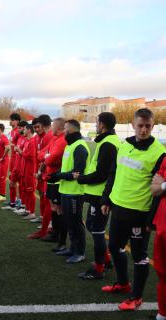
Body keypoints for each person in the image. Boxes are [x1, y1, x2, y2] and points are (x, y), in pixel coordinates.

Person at [101, 108, 166, 311]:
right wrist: (106, 199)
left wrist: (150, 220)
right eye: (140, 125)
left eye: (148, 126)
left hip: (139, 212)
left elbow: (158, 191)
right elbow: (113, 172)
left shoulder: (159, 153)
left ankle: (136, 297)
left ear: (153, 126)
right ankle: (122, 283)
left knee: (139, 255)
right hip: (118, 207)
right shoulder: (124, 145)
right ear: (133, 125)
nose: (144, 130)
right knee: (114, 247)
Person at [73, 112, 120, 280]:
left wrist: (81, 178)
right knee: (92, 226)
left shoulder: (108, 144)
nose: (95, 125)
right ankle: (106, 260)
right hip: (96, 194)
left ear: (102, 125)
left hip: (101, 195)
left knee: (98, 230)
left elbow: (101, 174)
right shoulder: (107, 141)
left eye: (96, 122)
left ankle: (99, 268)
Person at [49, 119, 90, 264]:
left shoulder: (80, 147)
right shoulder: (70, 145)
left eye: (65, 128)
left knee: (76, 223)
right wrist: (57, 175)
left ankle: (80, 252)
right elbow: (67, 169)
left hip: (75, 193)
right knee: (69, 221)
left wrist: (58, 175)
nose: (63, 131)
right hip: (65, 190)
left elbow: (77, 173)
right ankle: (72, 248)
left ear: (71, 130)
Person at [43, 118, 68, 248]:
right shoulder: (54, 139)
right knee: (54, 207)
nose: (51, 128)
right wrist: (46, 156)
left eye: (53, 126)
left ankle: (59, 236)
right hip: (51, 177)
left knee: (58, 209)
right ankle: (55, 233)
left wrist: (47, 156)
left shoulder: (62, 140)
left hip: (57, 179)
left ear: (58, 128)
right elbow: (43, 154)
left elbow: (50, 159)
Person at [30, 115, 53, 225]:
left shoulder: (49, 136)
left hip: (46, 171)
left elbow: (48, 156)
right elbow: (36, 156)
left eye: (38, 127)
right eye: (35, 127)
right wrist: (36, 171)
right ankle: (44, 216)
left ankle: (49, 220)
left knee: (47, 195)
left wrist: (40, 171)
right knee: (41, 194)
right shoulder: (37, 138)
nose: (37, 129)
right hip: (40, 171)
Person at [150, 161, 166, 320]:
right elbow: (154, 189)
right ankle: (162, 313)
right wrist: (161, 186)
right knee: (162, 272)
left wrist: (163, 186)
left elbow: (160, 187)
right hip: (162, 222)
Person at [18, 124, 37, 219]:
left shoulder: (33, 141)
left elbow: (29, 156)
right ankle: (27, 209)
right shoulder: (27, 141)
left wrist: (19, 151)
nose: (23, 131)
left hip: (30, 171)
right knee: (25, 190)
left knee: (30, 191)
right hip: (24, 170)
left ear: (29, 130)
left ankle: (32, 212)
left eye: (24, 129)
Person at [3, 113, 21, 210]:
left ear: (17, 121)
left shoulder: (19, 131)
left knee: (16, 182)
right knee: (12, 180)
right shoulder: (13, 131)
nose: (10, 121)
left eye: (12, 119)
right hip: (13, 159)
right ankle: (14, 201)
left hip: (18, 160)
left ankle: (17, 203)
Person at [12, 121, 28, 214]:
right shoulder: (19, 137)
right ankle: (15, 203)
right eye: (17, 128)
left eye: (20, 128)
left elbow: (26, 155)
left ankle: (23, 205)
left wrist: (19, 150)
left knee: (23, 187)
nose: (17, 130)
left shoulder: (29, 140)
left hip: (23, 167)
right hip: (16, 165)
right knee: (13, 184)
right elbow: (13, 141)